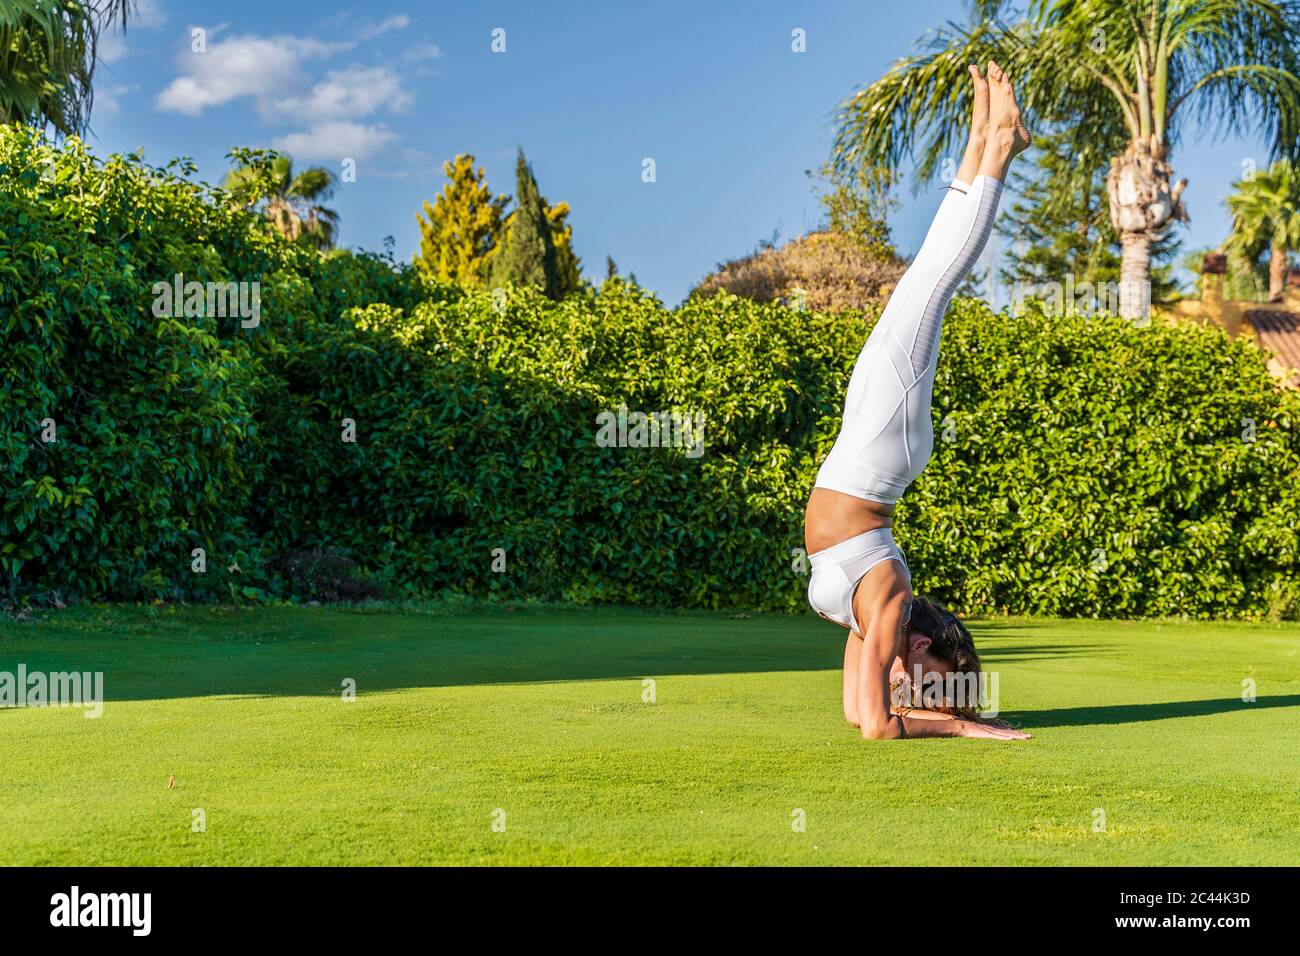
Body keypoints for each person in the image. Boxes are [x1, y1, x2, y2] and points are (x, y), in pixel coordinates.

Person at [804, 61, 1032, 741]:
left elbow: (861, 717)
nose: (916, 690)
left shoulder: (879, 618)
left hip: (871, 456)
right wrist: (960, 729)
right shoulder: (892, 601)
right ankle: (995, 145)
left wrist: (939, 719)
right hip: (881, 454)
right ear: (923, 650)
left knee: (925, 279)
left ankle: (988, 141)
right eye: (931, 685)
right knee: (930, 283)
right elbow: (881, 723)